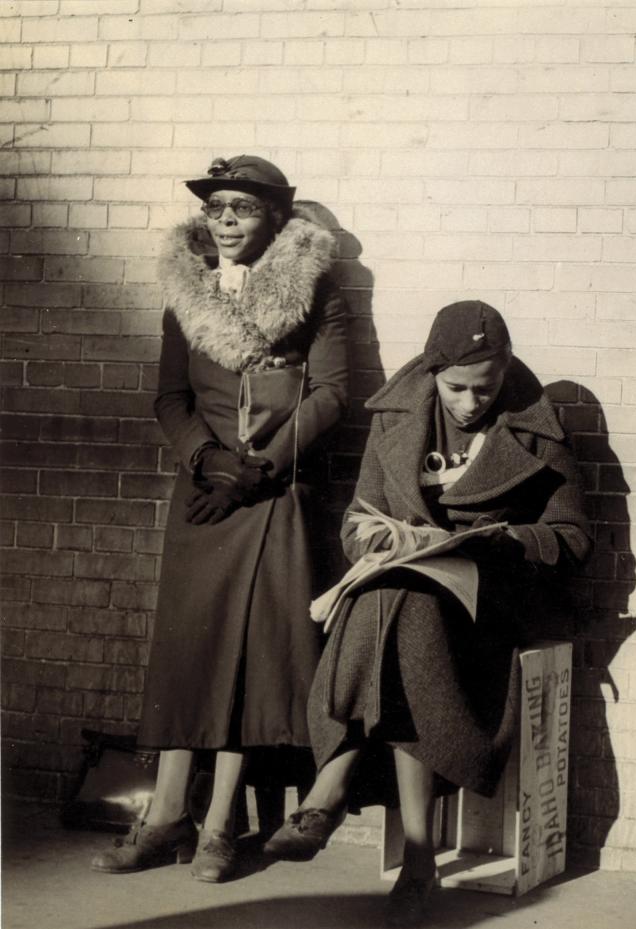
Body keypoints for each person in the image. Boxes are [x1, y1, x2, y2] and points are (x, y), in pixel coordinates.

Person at [261, 300, 591, 927]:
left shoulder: (535, 425)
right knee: (398, 598)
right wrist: (379, 542)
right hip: (413, 601)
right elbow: (358, 519)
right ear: (434, 372)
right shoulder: (398, 417)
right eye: (457, 389)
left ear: (506, 371)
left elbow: (572, 537)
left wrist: (504, 541)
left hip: (496, 600)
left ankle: (328, 793)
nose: (471, 404)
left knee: (399, 606)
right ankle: (418, 860)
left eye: (485, 389)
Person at [90, 155, 349, 882]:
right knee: (188, 652)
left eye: (242, 208)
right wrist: (207, 460)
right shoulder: (187, 294)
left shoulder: (315, 293)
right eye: (216, 208)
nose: (227, 220)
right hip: (205, 496)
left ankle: (216, 826)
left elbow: (330, 395)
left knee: (250, 659)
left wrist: (260, 466)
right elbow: (170, 399)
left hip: (272, 497)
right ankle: (166, 813)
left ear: (274, 218)